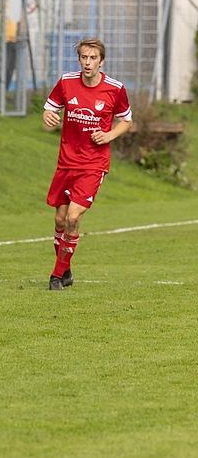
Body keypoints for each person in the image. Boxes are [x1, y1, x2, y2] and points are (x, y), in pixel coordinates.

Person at [42, 38, 132, 290]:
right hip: (66, 162)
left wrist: (109, 135)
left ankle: (56, 276)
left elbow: (126, 121)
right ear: (79, 59)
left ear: (101, 61)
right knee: (60, 220)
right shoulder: (66, 82)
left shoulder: (115, 89)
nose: (88, 63)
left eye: (93, 58)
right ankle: (66, 269)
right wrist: (48, 116)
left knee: (73, 217)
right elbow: (50, 109)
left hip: (93, 164)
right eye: (84, 57)